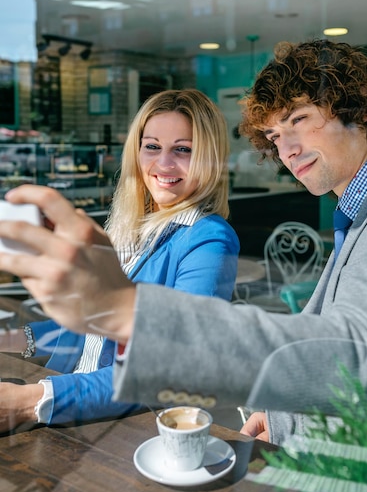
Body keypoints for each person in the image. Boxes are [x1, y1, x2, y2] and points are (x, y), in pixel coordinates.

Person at [1, 39, 367, 445]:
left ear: (357, 108)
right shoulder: (360, 211)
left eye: (299, 119)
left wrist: (123, 309)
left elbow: (362, 360)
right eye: (273, 136)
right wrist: (281, 416)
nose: (287, 149)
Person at [0, 89, 239, 431]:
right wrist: (9, 339)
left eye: (183, 149)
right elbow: (90, 327)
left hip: (117, 426)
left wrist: (29, 402)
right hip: (71, 402)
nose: (164, 164)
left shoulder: (209, 238)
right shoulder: (129, 225)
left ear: (210, 157)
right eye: (152, 146)